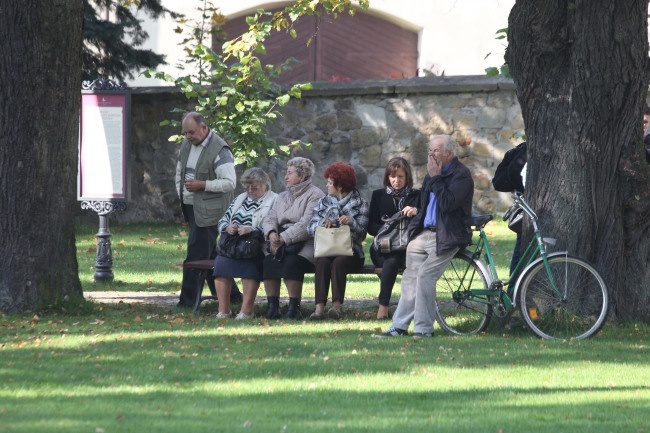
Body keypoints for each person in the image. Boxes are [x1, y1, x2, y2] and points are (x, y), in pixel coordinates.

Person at [375, 134, 474, 338]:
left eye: (435, 151)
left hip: (447, 235)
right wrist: (413, 225)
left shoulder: (461, 175)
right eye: (430, 151)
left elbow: (448, 204)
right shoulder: (431, 175)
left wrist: (436, 177)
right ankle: (399, 326)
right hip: (424, 233)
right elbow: (424, 205)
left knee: (425, 276)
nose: (431, 155)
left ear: (449, 153)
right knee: (410, 278)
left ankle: (423, 329)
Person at [174, 111, 240, 308]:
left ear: (204, 127)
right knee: (210, 255)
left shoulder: (220, 150)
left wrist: (203, 184)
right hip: (192, 207)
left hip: (211, 212)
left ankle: (187, 303)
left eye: (191, 132)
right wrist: (183, 198)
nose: (188, 137)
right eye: (185, 133)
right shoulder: (186, 144)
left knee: (196, 256)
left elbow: (230, 183)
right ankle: (233, 296)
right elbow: (179, 172)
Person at [262, 157, 325, 319]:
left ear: (302, 177)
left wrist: (281, 238)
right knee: (269, 261)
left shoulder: (316, 195)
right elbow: (270, 218)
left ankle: (293, 307)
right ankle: (272, 307)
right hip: (280, 241)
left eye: (290, 173)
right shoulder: (282, 196)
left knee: (292, 262)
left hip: (306, 243)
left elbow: (306, 225)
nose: (285, 176)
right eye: (286, 172)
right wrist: (271, 234)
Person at [307, 162, 369, 320]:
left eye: (330, 182)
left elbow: (361, 234)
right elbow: (310, 228)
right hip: (327, 248)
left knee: (339, 262)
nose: (326, 185)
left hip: (352, 252)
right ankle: (319, 308)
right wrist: (323, 225)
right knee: (322, 262)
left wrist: (350, 223)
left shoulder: (361, 204)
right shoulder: (324, 202)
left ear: (340, 185)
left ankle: (336, 307)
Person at [213, 168, 277, 319]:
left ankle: (247, 311)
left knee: (250, 267)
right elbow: (223, 220)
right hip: (233, 245)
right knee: (221, 264)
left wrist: (253, 229)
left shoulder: (274, 200)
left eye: (254, 187)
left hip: (257, 247)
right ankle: (224, 310)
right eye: (247, 187)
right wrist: (227, 227)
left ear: (265, 185)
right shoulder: (240, 198)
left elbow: (274, 224)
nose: (249, 190)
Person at [368, 157, 420, 319]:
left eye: (400, 177)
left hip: (406, 246)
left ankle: (413, 308)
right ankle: (383, 306)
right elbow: (371, 226)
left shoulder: (416, 196)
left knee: (406, 261)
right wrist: (387, 229)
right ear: (387, 177)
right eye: (392, 176)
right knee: (391, 260)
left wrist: (416, 211)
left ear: (407, 177)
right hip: (383, 247)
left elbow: (423, 221)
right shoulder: (379, 195)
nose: (396, 181)